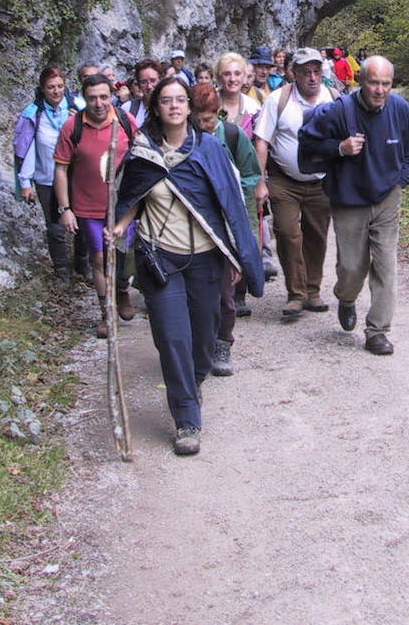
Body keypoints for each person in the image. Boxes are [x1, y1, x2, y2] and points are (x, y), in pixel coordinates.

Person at [112, 77, 264, 456]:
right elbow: (135, 196)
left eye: (181, 100)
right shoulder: (143, 153)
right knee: (171, 337)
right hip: (161, 257)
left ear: (189, 108)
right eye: (167, 101)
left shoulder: (210, 150)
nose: (175, 106)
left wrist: (239, 256)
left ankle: (193, 380)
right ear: (157, 107)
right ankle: (186, 418)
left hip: (204, 260)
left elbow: (229, 206)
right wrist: (117, 226)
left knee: (203, 338)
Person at [298, 55, 409, 355]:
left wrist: (400, 181)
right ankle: (346, 296)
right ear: (361, 82)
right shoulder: (339, 111)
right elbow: (306, 143)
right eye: (374, 83)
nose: (380, 90)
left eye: (386, 84)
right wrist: (339, 148)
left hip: (387, 197)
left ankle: (377, 331)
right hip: (349, 197)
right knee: (353, 267)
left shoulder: (400, 109)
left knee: (385, 265)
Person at [254, 48, 336, 321]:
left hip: (322, 181)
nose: (312, 77)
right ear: (294, 74)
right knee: (288, 233)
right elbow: (262, 140)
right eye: (305, 72)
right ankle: (296, 294)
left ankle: (313, 290)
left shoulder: (334, 99)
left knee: (317, 236)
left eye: (316, 71)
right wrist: (260, 181)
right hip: (284, 180)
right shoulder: (278, 100)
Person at [53, 73, 137, 337]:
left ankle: (122, 290)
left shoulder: (125, 121)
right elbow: (60, 169)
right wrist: (65, 209)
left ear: (111, 95)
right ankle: (106, 314)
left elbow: (142, 157)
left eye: (103, 96)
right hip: (88, 208)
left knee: (123, 259)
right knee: (99, 258)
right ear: (84, 98)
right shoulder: (72, 126)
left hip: (123, 206)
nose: (99, 103)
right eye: (92, 98)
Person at [190, 83, 261, 377]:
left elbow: (252, 172)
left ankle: (223, 342)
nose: (206, 125)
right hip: (192, 224)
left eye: (210, 119)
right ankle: (197, 345)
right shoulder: (183, 139)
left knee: (224, 290)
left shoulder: (232, 135)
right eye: (200, 119)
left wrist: (230, 191)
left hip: (225, 222)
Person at [13, 67, 81, 279]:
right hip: (47, 177)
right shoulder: (33, 114)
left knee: (84, 223)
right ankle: (61, 271)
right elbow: (25, 148)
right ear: (42, 89)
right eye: (51, 87)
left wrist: (79, 121)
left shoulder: (78, 107)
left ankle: (83, 265)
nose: (56, 91)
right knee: (54, 227)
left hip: (76, 177)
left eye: (60, 86)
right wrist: (25, 181)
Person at [214, 51, 261, 137]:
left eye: (237, 74)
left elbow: (260, 141)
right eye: (227, 74)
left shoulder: (252, 108)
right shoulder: (209, 102)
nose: (232, 79)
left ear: (244, 77)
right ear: (219, 77)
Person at [126, 58, 162, 127]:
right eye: (143, 82)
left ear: (160, 80)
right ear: (139, 85)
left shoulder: (170, 108)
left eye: (153, 80)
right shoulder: (128, 108)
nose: (149, 86)